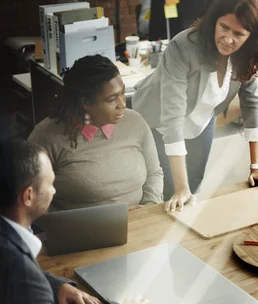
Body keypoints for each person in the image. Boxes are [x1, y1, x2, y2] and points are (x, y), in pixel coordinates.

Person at [0, 139, 156, 304]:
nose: (54, 189)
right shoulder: (21, 274)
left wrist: (56, 285)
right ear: (28, 196)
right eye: (49, 183)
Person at [133, 0, 258, 213]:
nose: (228, 39)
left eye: (239, 34)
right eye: (224, 27)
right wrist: (181, 188)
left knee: (195, 184)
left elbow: (252, 104)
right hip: (159, 123)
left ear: (250, 37)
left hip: (202, 120)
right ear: (213, 21)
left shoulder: (246, 55)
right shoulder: (183, 46)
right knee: (168, 191)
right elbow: (172, 116)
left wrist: (256, 168)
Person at [28, 55, 163, 211]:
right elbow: (31, 196)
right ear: (85, 103)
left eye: (123, 93)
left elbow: (154, 173)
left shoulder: (135, 121)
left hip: (142, 223)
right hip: (81, 231)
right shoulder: (48, 136)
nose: (122, 104)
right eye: (112, 99)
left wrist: (149, 207)